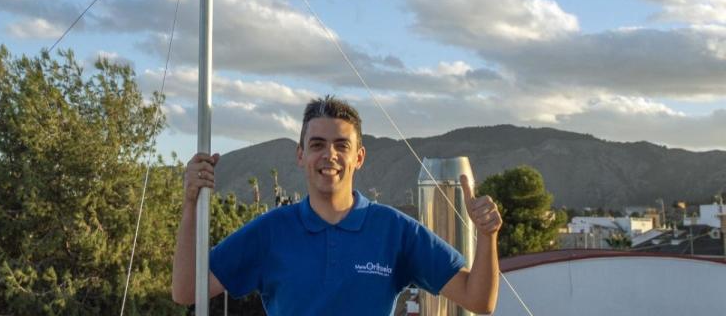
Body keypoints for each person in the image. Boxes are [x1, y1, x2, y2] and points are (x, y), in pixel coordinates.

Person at [172, 95, 502, 315]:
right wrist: (190, 204)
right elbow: (186, 290)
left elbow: (479, 299)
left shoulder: (393, 230)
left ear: (358, 157)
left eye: (341, 145)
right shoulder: (271, 231)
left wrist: (487, 237)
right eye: (317, 144)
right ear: (300, 155)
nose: (329, 155)